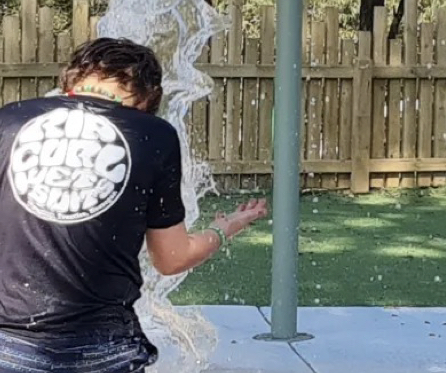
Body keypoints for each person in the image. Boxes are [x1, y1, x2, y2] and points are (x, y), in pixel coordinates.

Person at [0, 37, 267, 373]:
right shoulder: (153, 134)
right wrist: (225, 227)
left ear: (71, 78)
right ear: (147, 97)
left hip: (7, 345)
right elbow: (172, 259)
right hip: (103, 347)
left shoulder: (8, 121)